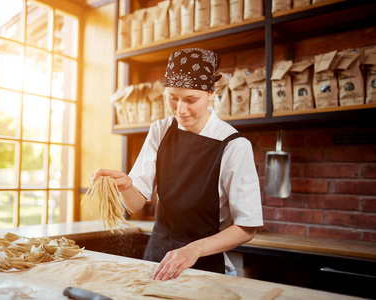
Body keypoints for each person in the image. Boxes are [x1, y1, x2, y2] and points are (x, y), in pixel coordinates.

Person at [91, 48, 263, 281]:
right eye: (172, 98)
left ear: (211, 94)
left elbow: (247, 227)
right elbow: (135, 204)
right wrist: (125, 185)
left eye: (191, 100)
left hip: (204, 262)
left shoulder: (233, 145)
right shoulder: (160, 130)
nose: (180, 110)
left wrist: (195, 249)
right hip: (157, 257)